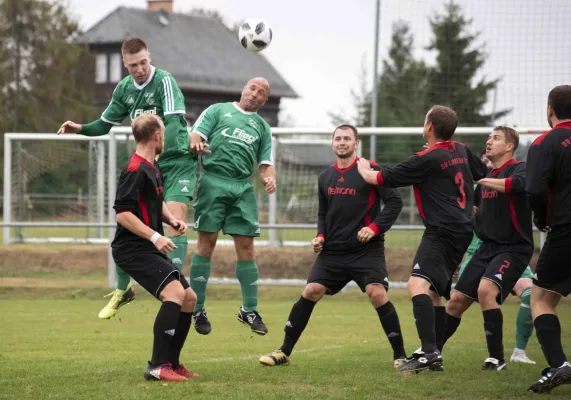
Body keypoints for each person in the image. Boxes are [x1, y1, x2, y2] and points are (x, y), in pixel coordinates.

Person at [57, 37, 196, 319]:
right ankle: (124, 290)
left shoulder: (164, 81)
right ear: (125, 63)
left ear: (149, 57)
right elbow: (103, 125)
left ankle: (180, 292)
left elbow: (171, 122)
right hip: (149, 164)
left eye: (144, 62)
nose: (140, 69)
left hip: (176, 160)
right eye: (133, 65)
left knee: (176, 221)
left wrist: (159, 150)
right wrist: (79, 127)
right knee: (130, 228)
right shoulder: (124, 89)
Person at [259, 124, 407, 368]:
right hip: (333, 252)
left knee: (376, 293)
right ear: (332, 143)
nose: (342, 142)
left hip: (365, 250)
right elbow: (323, 212)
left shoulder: (369, 170)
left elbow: (395, 203)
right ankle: (283, 351)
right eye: (338, 138)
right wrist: (320, 236)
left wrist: (374, 228)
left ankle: (400, 356)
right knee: (310, 291)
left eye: (347, 138)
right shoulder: (325, 176)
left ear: (356, 143)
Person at [357, 105, 486, 374]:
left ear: (429, 127)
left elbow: (382, 177)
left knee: (416, 285)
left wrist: (362, 166)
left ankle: (428, 353)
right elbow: (481, 175)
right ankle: (434, 351)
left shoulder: (426, 158)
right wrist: (475, 204)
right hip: (463, 230)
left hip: (441, 231)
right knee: (434, 292)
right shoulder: (461, 149)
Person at [439, 126, 533, 371]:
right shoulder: (486, 180)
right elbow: (477, 210)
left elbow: (519, 186)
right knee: (456, 301)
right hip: (487, 247)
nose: (489, 141)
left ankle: (496, 358)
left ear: (510, 146)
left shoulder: (519, 168)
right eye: (489, 137)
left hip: (513, 247)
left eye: (496, 138)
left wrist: (479, 177)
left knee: (485, 290)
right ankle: (432, 353)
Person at [111, 114, 198, 381]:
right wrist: (155, 238)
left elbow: (153, 201)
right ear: (158, 136)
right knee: (173, 294)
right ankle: (157, 367)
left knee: (189, 298)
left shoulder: (152, 166)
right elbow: (123, 214)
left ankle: (171, 362)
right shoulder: (135, 169)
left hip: (146, 247)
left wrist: (171, 219)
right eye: (165, 133)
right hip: (132, 248)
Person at [188, 77, 276, 335]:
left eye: (261, 93)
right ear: (244, 89)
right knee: (206, 245)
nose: (255, 94)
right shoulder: (218, 110)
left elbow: (266, 163)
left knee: (247, 248)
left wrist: (269, 178)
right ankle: (198, 308)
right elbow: (195, 134)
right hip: (213, 182)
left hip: (242, 187)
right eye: (252, 88)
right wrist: (195, 144)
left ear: (265, 100)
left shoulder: (262, 127)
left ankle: (249, 309)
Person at [526, 85, 571, 393]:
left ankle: (559, 366)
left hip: (566, 228)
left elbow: (535, 190)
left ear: (550, 110)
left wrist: (542, 219)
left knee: (541, 297)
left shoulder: (546, 141)